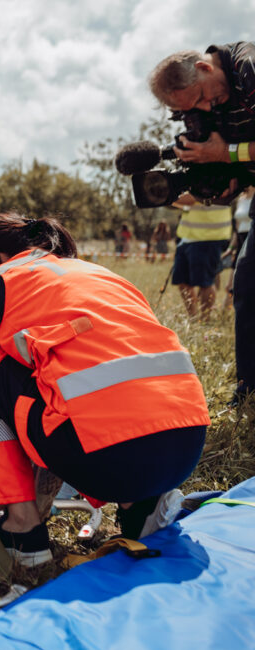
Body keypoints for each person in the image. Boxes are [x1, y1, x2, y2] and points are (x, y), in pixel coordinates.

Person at [0, 213, 210, 567]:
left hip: (109, 455)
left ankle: (22, 529)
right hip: (186, 443)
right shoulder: (98, 274)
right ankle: (141, 506)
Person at [149, 42, 255, 406]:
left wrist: (223, 153)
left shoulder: (248, 67)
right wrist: (212, 181)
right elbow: (239, 173)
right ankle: (247, 390)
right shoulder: (214, 105)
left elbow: (232, 152)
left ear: (204, 67)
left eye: (202, 98)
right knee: (247, 287)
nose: (207, 107)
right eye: (193, 108)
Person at [171, 194, 232, 319]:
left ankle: (205, 319)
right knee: (181, 280)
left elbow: (191, 199)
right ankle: (193, 318)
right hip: (187, 236)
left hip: (208, 237)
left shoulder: (215, 177)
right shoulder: (190, 177)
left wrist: (164, 196)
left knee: (204, 282)